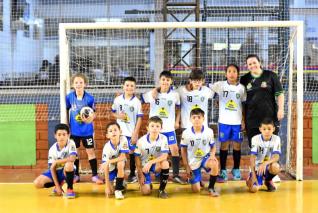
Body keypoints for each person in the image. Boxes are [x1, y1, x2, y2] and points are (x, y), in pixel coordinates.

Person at [141, 70, 184, 184]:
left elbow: (179, 108)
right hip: (155, 129)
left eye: (167, 80)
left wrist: (177, 121)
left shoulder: (175, 95)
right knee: (154, 151)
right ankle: (155, 173)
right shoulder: (153, 93)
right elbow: (140, 98)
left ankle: (175, 175)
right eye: (163, 79)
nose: (165, 82)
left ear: (171, 81)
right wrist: (155, 90)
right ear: (160, 80)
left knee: (174, 150)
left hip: (169, 128)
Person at [209, 64, 246, 182]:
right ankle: (223, 170)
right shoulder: (220, 85)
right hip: (224, 122)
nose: (231, 73)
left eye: (234, 71)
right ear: (226, 74)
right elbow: (206, 87)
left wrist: (243, 120)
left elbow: (244, 105)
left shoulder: (242, 88)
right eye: (229, 71)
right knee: (224, 146)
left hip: (237, 122)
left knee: (237, 146)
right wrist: (216, 100)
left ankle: (236, 169)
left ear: (238, 74)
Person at [66, 73, 103, 184]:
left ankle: (95, 176)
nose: (78, 84)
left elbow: (94, 114)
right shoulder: (69, 97)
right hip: (74, 132)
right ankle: (76, 175)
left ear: (85, 84)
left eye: (81, 82)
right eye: (76, 82)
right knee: (74, 153)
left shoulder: (90, 98)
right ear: (73, 84)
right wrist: (68, 128)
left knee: (90, 152)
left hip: (87, 131)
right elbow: (66, 112)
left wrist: (90, 119)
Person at [240, 54, 284, 148]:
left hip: (270, 117)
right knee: (255, 149)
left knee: (271, 149)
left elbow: (280, 94)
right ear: (247, 66)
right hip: (252, 120)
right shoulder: (244, 79)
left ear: (259, 63)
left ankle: (272, 163)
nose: (252, 65)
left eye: (254, 62)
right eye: (250, 64)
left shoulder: (271, 75)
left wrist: (281, 109)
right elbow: (241, 102)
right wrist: (242, 119)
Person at [181, 108, 219, 197]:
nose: (197, 119)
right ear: (190, 119)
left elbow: (213, 147)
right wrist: (186, 166)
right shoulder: (186, 133)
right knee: (196, 190)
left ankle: (211, 187)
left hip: (205, 157)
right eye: (194, 117)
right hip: (193, 161)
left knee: (214, 163)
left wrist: (212, 155)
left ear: (203, 119)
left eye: (199, 117)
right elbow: (183, 150)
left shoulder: (209, 131)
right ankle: (198, 180)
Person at [111, 76, 143, 184]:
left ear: (135, 88)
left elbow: (139, 118)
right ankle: (119, 174)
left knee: (132, 153)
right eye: (127, 85)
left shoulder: (137, 102)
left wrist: (135, 133)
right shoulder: (117, 100)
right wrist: (118, 116)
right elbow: (113, 112)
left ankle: (132, 174)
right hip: (120, 134)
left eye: (132, 86)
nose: (129, 88)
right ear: (123, 86)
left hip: (131, 133)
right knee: (120, 154)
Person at [33, 124, 77, 199]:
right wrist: (57, 186)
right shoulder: (52, 149)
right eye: (59, 135)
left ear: (68, 135)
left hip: (66, 170)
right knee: (37, 183)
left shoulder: (71, 143)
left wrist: (57, 162)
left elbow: (72, 158)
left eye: (64, 134)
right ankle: (59, 185)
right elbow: (52, 168)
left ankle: (70, 189)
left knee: (69, 165)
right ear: (55, 136)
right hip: (56, 171)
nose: (62, 137)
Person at [135, 116, 170, 198]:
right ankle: (146, 182)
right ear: (147, 128)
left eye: (157, 126)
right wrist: (140, 173)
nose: (155, 128)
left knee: (165, 163)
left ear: (161, 128)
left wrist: (151, 162)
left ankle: (162, 190)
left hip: (155, 165)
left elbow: (165, 156)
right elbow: (137, 158)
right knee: (145, 192)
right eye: (152, 126)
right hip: (144, 166)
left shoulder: (163, 138)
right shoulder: (141, 141)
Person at [246, 118, 281, 192]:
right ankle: (250, 178)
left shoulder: (276, 139)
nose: (267, 131)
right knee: (254, 190)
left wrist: (265, 163)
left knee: (276, 167)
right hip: (257, 168)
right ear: (260, 129)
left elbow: (276, 157)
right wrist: (254, 175)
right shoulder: (255, 139)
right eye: (264, 129)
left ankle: (268, 180)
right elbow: (252, 158)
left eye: (269, 129)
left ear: (273, 129)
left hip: (267, 167)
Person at [102, 122, 129, 199]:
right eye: (110, 131)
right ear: (107, 135)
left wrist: (109, 161)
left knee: (120, 163)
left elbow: (123, 157)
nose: (113, 132)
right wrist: (107, 186)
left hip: (119, 164)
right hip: (110, 167)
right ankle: (118, 182)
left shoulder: (123, 139)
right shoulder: (106, 148)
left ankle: (118, 189)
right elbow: (105, 167)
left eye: (115, 130)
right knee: (110, 192)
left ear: (120, 132)